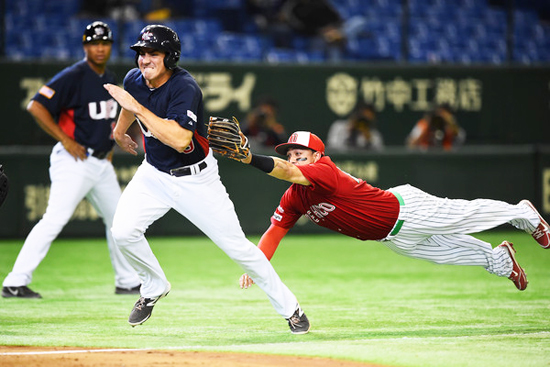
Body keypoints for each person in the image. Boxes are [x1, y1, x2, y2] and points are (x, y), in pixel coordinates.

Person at [102, 24, 310, 334]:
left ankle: (291, 308)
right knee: (122, 232)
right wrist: (120, 130)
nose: (144, 59)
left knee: (239, 249)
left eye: (153, 53)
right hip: (153, 174)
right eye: (140, 53)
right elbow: (130, 103)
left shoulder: (184, 88)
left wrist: (136, 108)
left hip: (196, 180)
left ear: (170, 57)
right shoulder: (135, 79)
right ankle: (154, 285)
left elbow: (178, 138)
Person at [225, 131, 549, 293]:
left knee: (461, 215)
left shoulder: (324, 170)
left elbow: (286, 171)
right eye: (291, 154)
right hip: (390, 237)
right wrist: (256, 265)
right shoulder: (294, 197)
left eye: (300, 153)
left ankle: (523, 213)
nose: (295, 158)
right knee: (449, 253)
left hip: (406, 211)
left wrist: (251, 158)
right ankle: (500, 261)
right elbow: (275, 231)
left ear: (316, 155)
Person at [2, 21, 141, 299]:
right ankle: (14, 282)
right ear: (85, 45)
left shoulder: (109, 77)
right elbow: (36, 105)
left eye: (104, 43)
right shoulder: (74, 75)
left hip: (101, 163)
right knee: (54, 219)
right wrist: (64, 139)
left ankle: (127, 280)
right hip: (73, 160)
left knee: (119, 220)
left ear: (111, 46)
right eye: (94, 43)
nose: (99, 48)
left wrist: (108, 146)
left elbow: (105, 120)